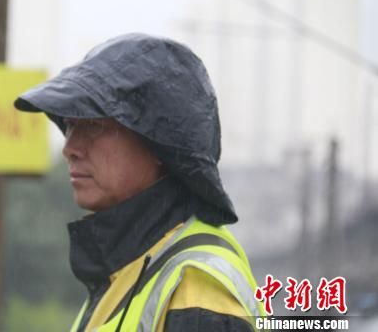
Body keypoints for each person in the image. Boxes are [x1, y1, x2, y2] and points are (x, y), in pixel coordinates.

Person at [14, 33, 265, 331]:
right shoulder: (125, 272)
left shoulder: (195, 289)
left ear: (161, 144)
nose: (70, 148)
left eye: (93, 125)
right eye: (69, 125)